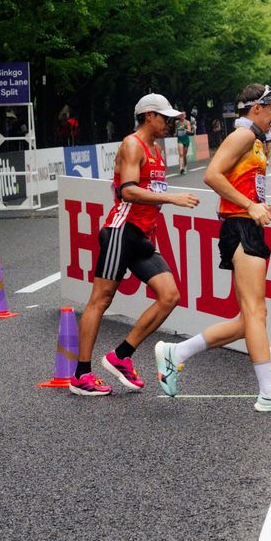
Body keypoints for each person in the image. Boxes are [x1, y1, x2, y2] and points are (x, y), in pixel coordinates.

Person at [154, 85, 271, 412]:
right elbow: (212, 175)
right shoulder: (242, 136)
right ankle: (269, 391)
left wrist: (266, 209)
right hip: (239, 227)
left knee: (246, 321)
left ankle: (177, 353)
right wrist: (250, 207)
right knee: (257, 312)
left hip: (246, 224)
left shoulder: (254, 139)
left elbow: (243, 188)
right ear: (257, 108)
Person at [71, 93, 199, 396]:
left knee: (170, 296)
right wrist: (172, 197)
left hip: (141, 236)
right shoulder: (132, 144)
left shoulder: (156, 150)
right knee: (101, 300)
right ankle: (81, 375)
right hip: (120, 231)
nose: (169, 123)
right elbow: (127, 191)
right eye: (164, 117)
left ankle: (121, 355)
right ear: (148, 116)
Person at [175, 111, 194, 176]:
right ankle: (181, 168)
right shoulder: (177, 122)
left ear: (185, 116)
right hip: (180, 140)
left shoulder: (187, 122)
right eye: (181, 115)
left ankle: (185, 167)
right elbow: (176, 131)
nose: (182, 116)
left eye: (183, 115)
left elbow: (190, 131)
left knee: (184, 155)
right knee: (181, 154)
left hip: (186, 140)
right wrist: (176, 133)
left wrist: (185, 130)